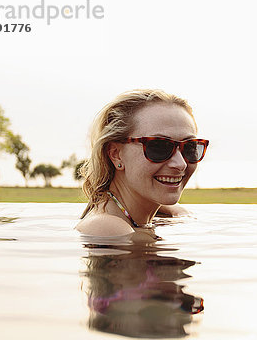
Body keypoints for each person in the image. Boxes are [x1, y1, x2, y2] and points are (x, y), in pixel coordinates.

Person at [76, 89, 208, 238]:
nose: (180, 164)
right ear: (116, 154)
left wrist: (178, 211)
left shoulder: (126, 215)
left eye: (189, 147)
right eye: (158, 147)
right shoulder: (108, 227)